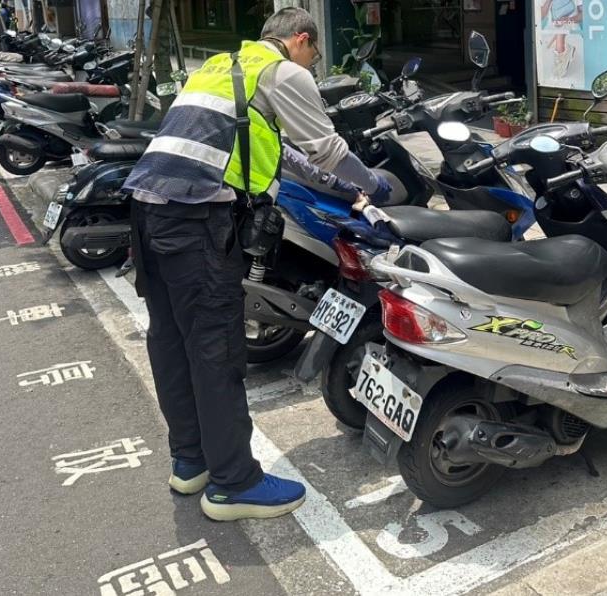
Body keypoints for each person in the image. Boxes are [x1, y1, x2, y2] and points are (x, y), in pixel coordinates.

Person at [122, 7, 391, 522]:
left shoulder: (224, 66)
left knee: (173, 342)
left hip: (147, 208)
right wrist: (374, 185)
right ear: (302, 40)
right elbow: (326, 148)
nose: (313, 66)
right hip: (196, 216)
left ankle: (191, 463)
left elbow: (283, 153)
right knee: (216, 351)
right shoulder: (285, 71)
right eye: (315, 55)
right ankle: (232, 484)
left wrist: (342, 191)